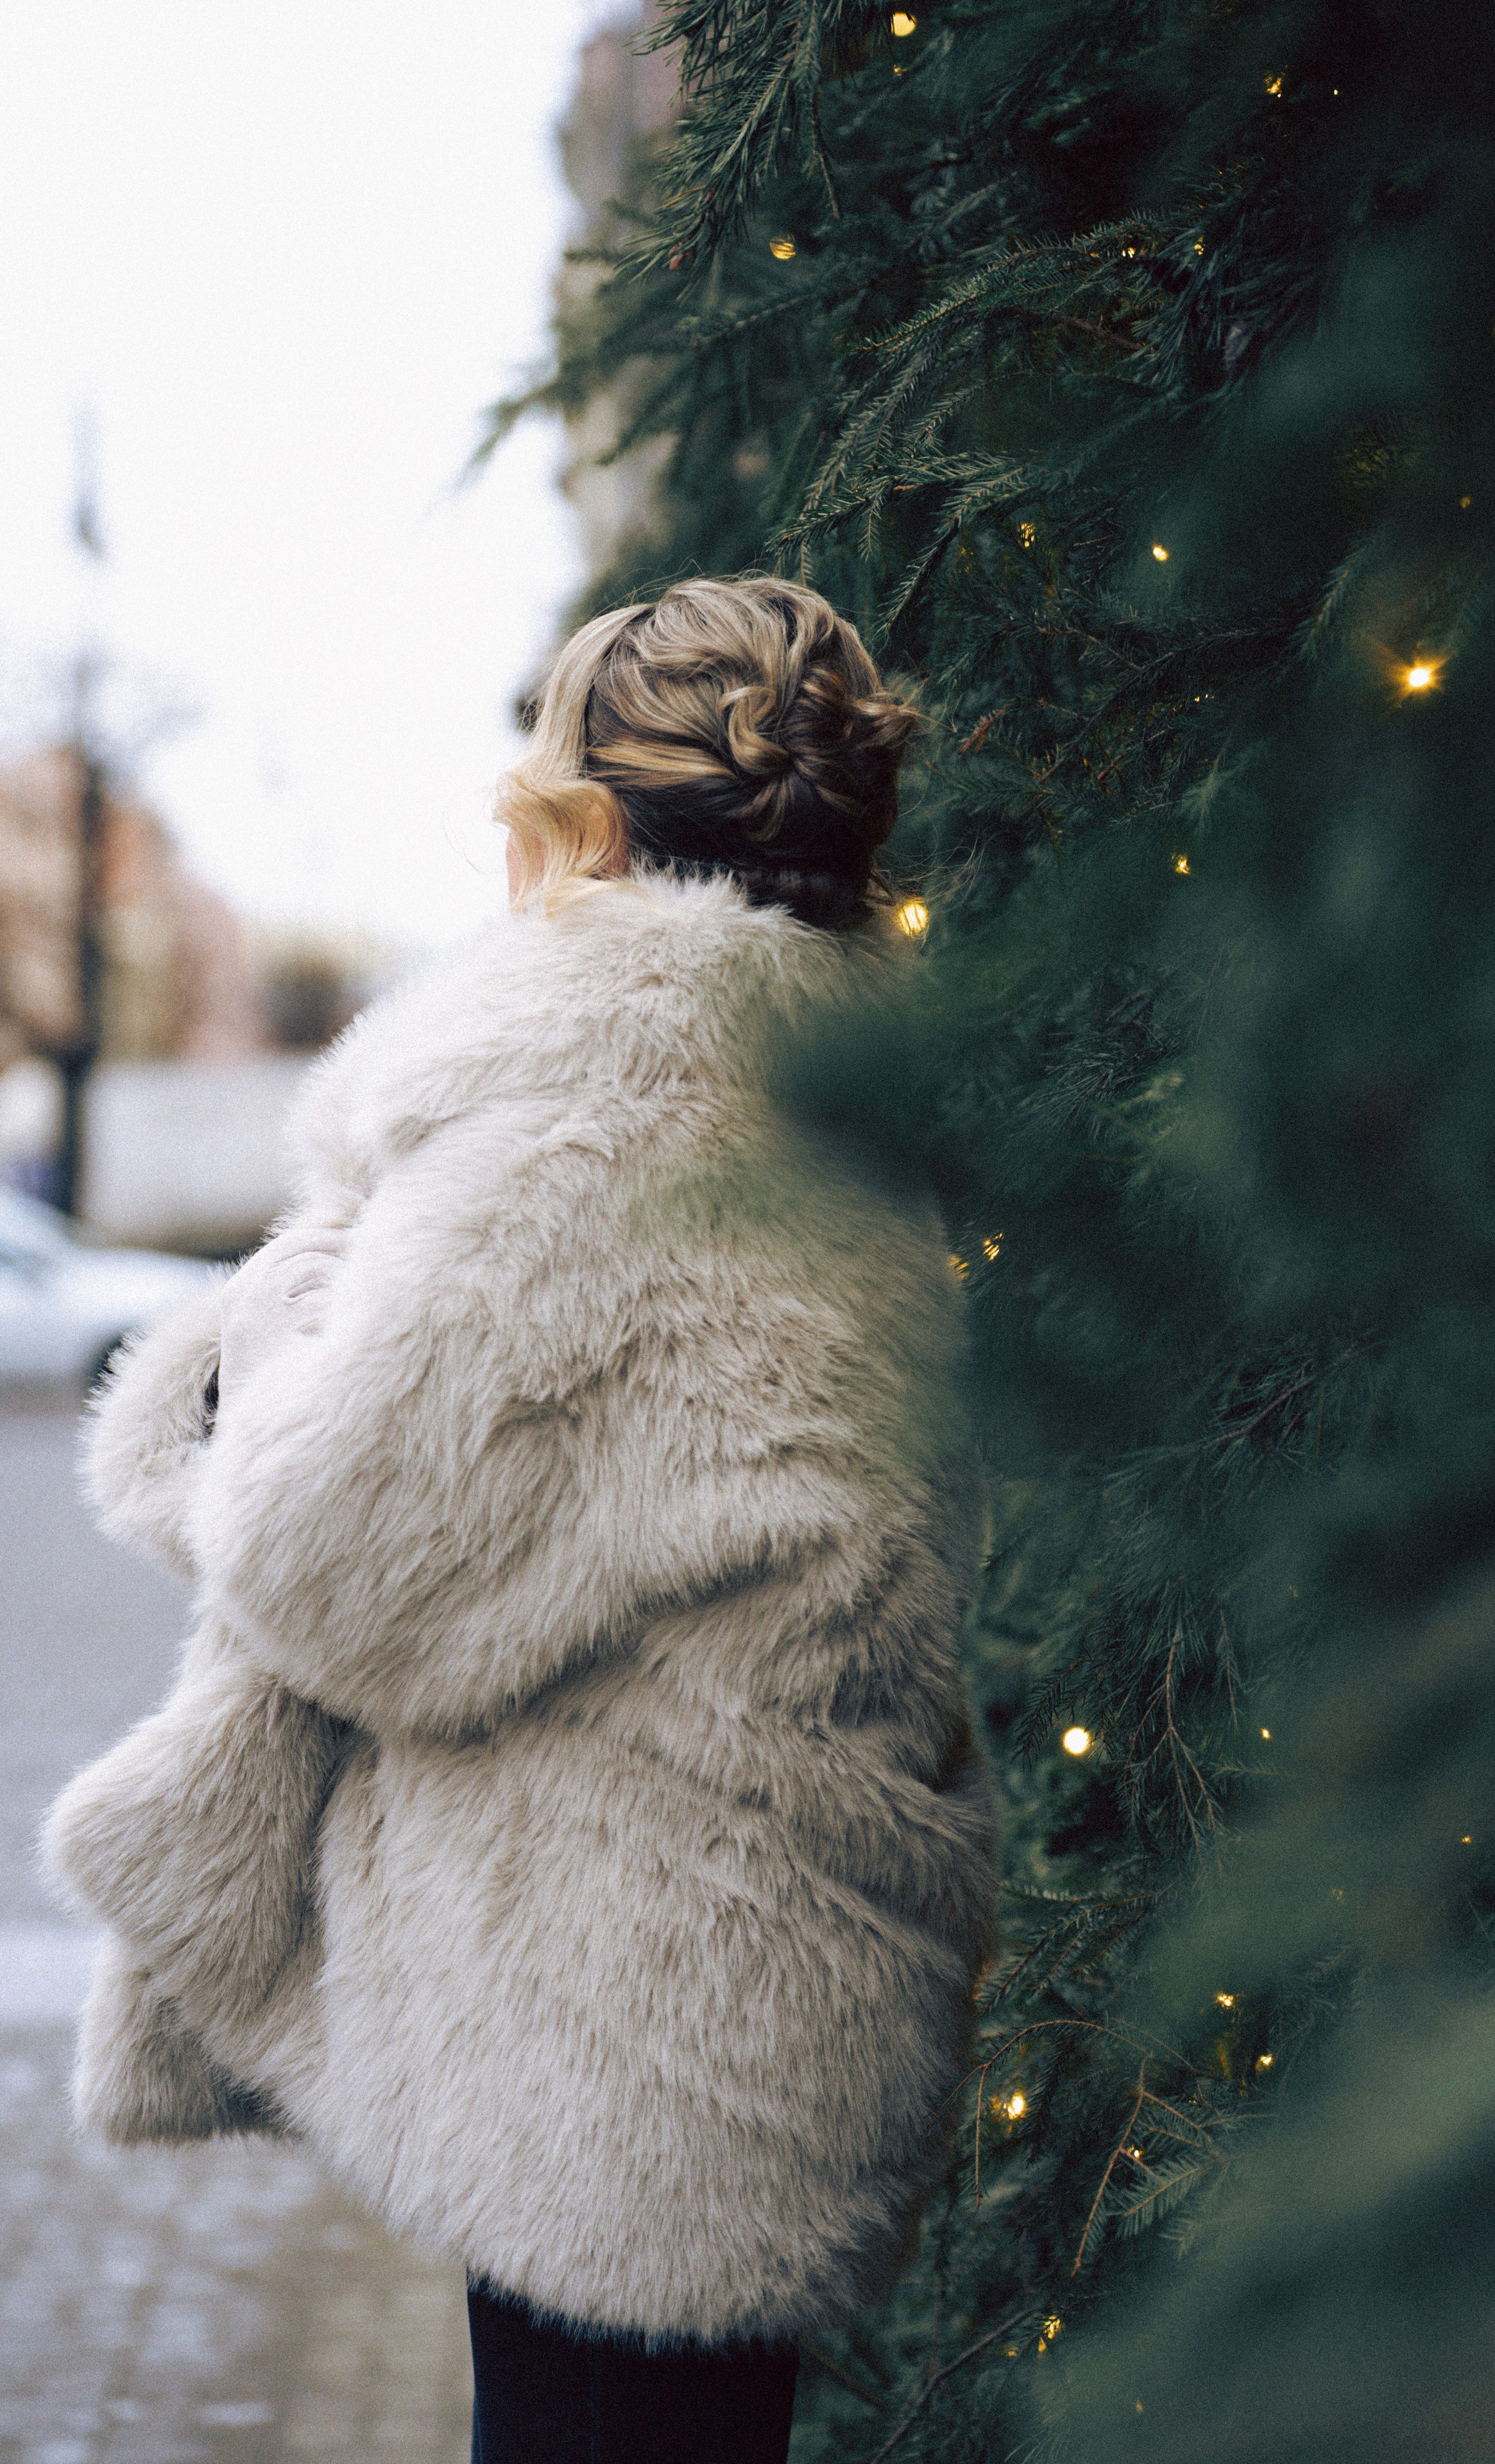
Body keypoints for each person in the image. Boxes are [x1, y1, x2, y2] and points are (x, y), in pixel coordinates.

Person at [44, 576, 995, 2464]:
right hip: (782, 1964)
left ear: (590, 816)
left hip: (624, 2020)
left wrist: (270, 1345)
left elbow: (332, 1563)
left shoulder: (592, 1098)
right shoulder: (861, 1104)